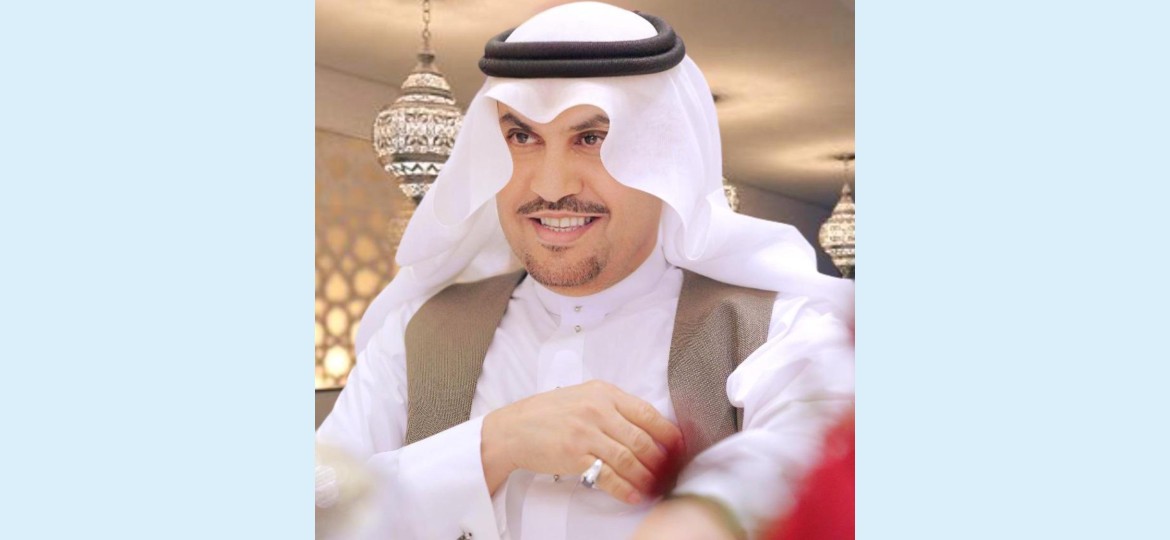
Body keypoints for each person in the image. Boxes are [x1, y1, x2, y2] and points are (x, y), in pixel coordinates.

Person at [316, 2, 855, 539]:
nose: (551, 186)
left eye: (592, 138)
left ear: (662, 156)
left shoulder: (775, 334)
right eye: (522, 137)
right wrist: (491, 444)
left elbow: (813, 474)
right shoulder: (419, 333)